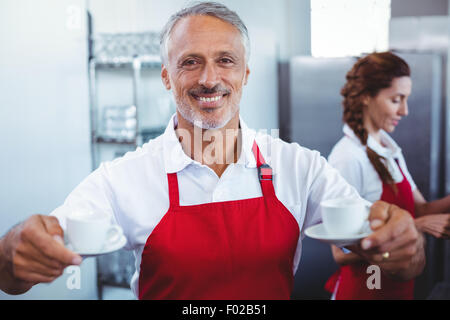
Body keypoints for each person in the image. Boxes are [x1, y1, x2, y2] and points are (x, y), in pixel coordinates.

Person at [0, 3, 425, 300]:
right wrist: (13, 250)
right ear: (166, 76)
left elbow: (394, 259)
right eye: (190, 62)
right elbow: (15, 272)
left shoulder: (301, 167)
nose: (209, 78)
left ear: (245, 73)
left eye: (225, 60)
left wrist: (404, 246)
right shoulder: (123, 178)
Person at [325, 52, 450, 300]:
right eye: (396, 100)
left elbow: (422, 209)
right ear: (366, 98)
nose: (404, 111)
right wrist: (414, 226)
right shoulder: (348, 157)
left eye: (405, 99)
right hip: (365, 290)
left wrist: (420, 220)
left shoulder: (388, 149)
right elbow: (339, 252)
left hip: (397, 288)